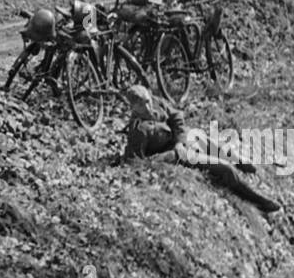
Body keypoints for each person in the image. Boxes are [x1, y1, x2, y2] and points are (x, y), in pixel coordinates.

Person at [119, 85, 281, 213]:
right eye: (141, 106)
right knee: (225, 169)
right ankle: (257, 200)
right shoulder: (138, 130)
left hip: (182, 139)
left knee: (222, 150)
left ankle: (245, 165)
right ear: (133, 108)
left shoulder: (156, 102)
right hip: (179, 154)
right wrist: (173, 153)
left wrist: (180, 140)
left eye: (147, 101)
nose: (148, 107)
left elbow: (176, 117)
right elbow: (136, 162)